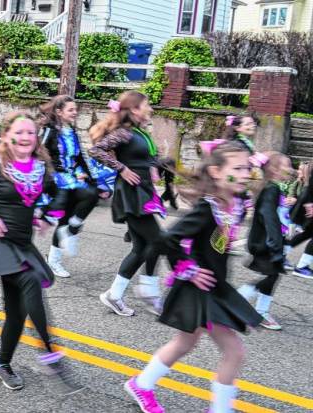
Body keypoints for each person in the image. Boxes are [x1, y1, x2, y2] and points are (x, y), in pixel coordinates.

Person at [0, 112, 83, 393]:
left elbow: (60, 190)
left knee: (17, 311)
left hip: (22, 244)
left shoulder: (40, 167)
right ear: (7, 135)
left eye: (30, 133)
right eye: (19, 132)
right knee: (31, 280)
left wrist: (49, 214)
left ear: (37, 139)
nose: (25, 137)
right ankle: (50, 352)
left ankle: (2, 363)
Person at [124, 142, 262, 413]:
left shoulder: (238, 204)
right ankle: (220, 409)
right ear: (216, 172)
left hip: (215, 285)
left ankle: (142, 384)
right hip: (199, 287)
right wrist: (189, 269)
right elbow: (165, 240)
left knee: (185, 343)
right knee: (234, 351)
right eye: (237, 168)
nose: (245, 174)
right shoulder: (206, 209)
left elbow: (218, 245)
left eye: (247, 167)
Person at [88, 92, 166, 317]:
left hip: (143, 192)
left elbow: (145, 157)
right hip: (132, 195)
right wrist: (121, 168)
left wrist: (155, 166)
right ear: (134, 109)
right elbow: (95, 150)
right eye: (146, 105)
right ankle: (149, 291)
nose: (150, 108)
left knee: (141, 248)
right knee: (158, 241)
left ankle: (114, 294)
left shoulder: (139, 132)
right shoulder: (123, 132)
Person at [39, 95, 99, 278]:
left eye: (75, 109)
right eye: (71, 110)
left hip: (72, 177)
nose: (75, 112)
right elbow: (39, 153)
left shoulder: (71, 130)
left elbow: (80, 157)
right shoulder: (49, 130)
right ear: (59, 112)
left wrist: (91, 178)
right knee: (89, 195)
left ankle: (54, 259)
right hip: (57, 180)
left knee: (68, 219)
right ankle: (70, 231)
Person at [237, 152, 293, 331]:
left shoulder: (273, 187)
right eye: (287, 165)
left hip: (267, 241)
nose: (291, 169)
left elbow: (274, 213)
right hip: (266, 242)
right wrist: (276, 244)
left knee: (273, 274)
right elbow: (268, 215)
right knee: (271, 275)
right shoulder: (271, 189)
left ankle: (262, 311)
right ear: (275, 170)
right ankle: (240, 298)